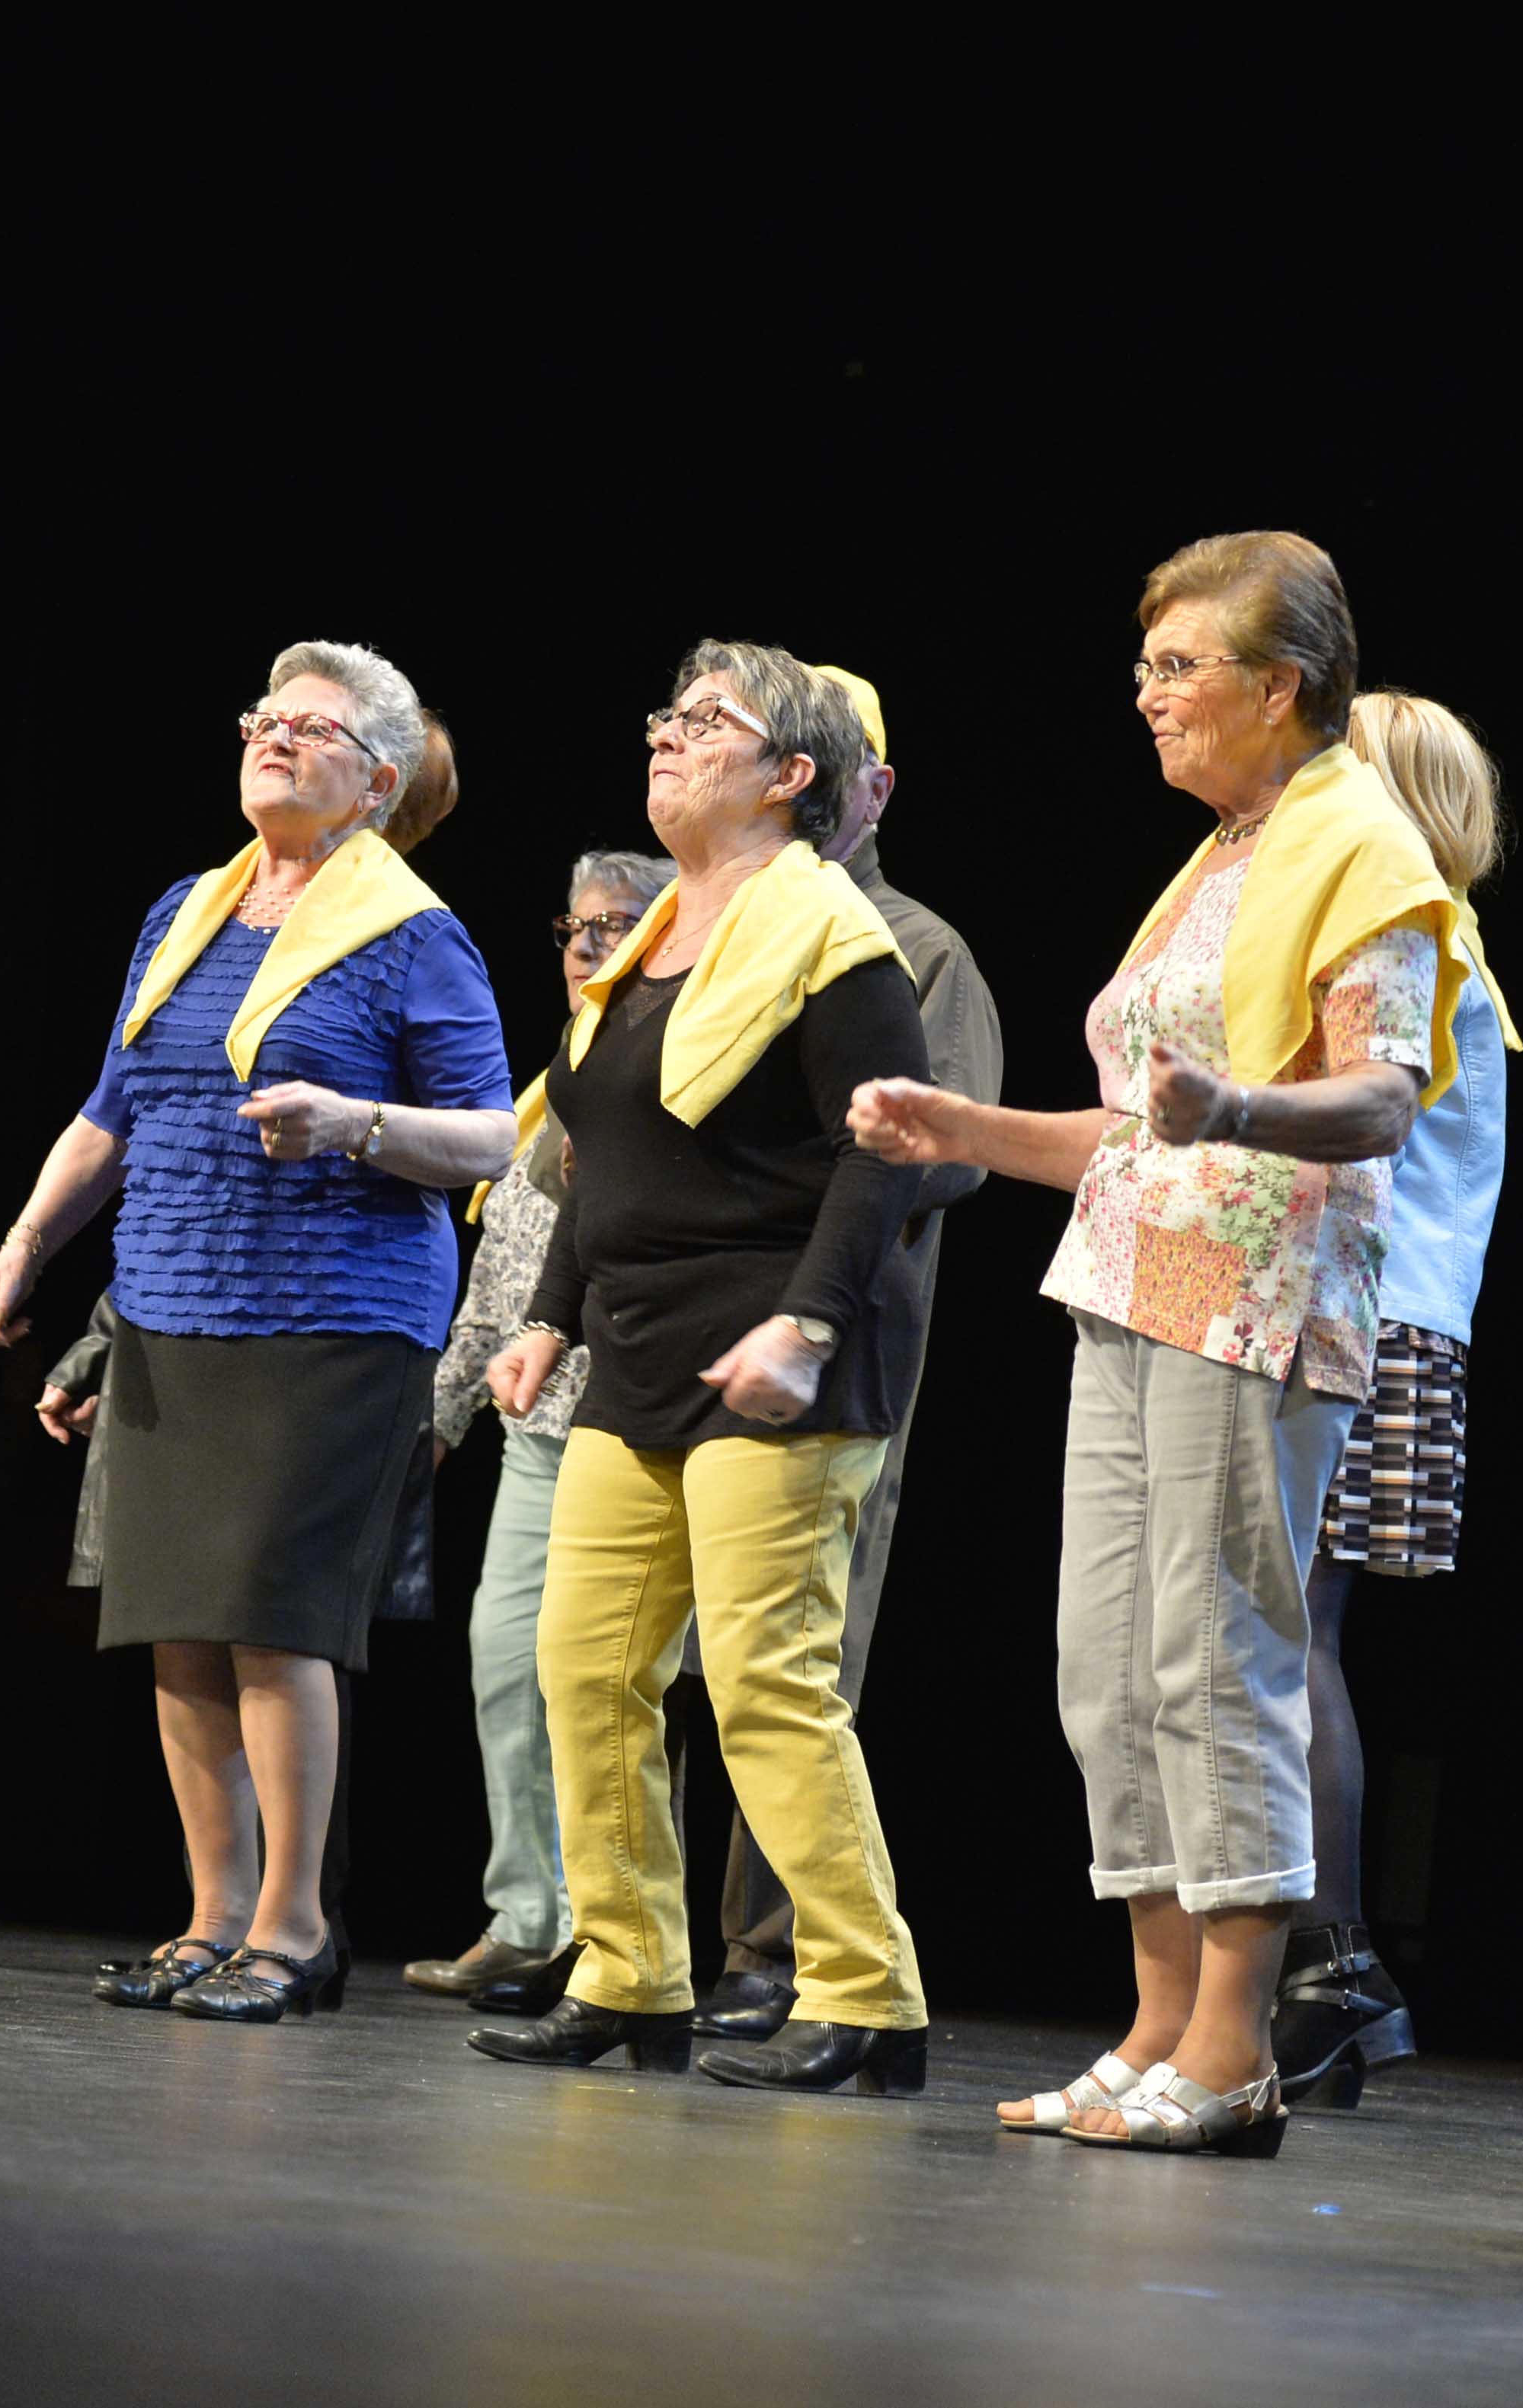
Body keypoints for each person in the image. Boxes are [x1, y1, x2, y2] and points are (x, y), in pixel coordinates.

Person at [853, 532, 1462, 2156]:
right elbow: (1137, 1132)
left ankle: (1235, 2043)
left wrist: (1237, 1108)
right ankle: (1152, 2025)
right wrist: (960, 1127)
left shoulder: (1360, 842)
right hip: (1128, 1285)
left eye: (1180, 667)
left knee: (1216, 1654)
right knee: (1110, 1664)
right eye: (1147, 666)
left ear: (1280, 686)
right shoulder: (1216, 856)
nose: (1148, 695)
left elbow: (1381, 1094)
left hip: (1254, 1300)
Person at [0, 643, 514, 2023]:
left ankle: (293, 1926)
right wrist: (27, 1242)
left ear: (376, 781)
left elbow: (492, 1137)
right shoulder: (184, 910)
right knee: (178, 1626)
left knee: (274, 1622)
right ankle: (212, 1914)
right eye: (265, 718)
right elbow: (114, 1108)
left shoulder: (413, 934)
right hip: (171, 1300)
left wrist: (353, 1123)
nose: (273, 737)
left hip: (332, 1316)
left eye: (311, 728)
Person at [466, 641, 933, 2095]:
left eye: (706, 721)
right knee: (585, 1668)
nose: (665, 735)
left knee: (764, 1684)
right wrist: (546, 1314)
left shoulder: (832, 936)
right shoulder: (653, 933)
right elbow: (602, 1154)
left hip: (775, 1352)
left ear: (789, 775)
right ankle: (628, 1976)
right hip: (637, 1353)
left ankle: (868, 1996)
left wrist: (805, 1326)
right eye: (666, 714)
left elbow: (883, 1153)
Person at [677, 664, 1006, 2047]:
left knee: (787, 1649)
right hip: (682, 1314)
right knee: (644, 1645)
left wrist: (788, 1205)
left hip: (831, 1329)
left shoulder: (912, 947)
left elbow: (951, 1148)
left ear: (867, 784)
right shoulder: (698, 925)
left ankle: (771, 1949)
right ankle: (626, 1939)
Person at [1271, 688, 1522, 2108]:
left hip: (1366, 1323)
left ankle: (1331, 1962)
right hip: (1391, 1321)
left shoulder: (1414, 944)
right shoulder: (1440, 941)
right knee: (1293, 1630)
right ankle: (1331, 1976)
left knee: (1290, 1632)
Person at [401, 842, 674, 2010]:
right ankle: (531, 1917)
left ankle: (620, 1941)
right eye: (577, 927)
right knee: (506, 1660)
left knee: (608, 1686)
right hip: (535, 1428)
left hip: (637, 1421)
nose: (589, 946)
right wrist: (440, 1412)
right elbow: (501, 1283)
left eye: (619, 925)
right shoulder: (548, 1085)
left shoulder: (675, 1061)